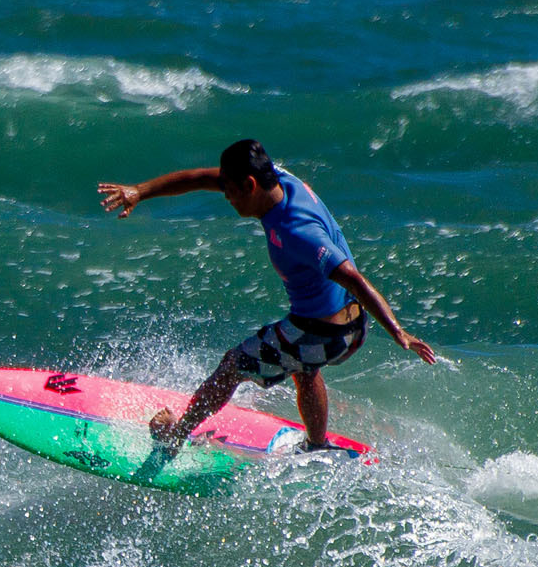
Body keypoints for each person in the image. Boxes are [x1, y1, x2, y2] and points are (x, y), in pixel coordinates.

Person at [98, 139, 436, 455]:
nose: (226, 197)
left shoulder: (296, 230)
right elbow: (201, 177)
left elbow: (353, 279)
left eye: (229, 191)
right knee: (301, 363)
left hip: (326, 333)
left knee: (233, 365)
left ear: (249, 185)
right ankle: (316, 446)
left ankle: (177, 435)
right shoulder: (280, 180)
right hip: (347, 325)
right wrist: (140, 191)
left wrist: (398, 332)